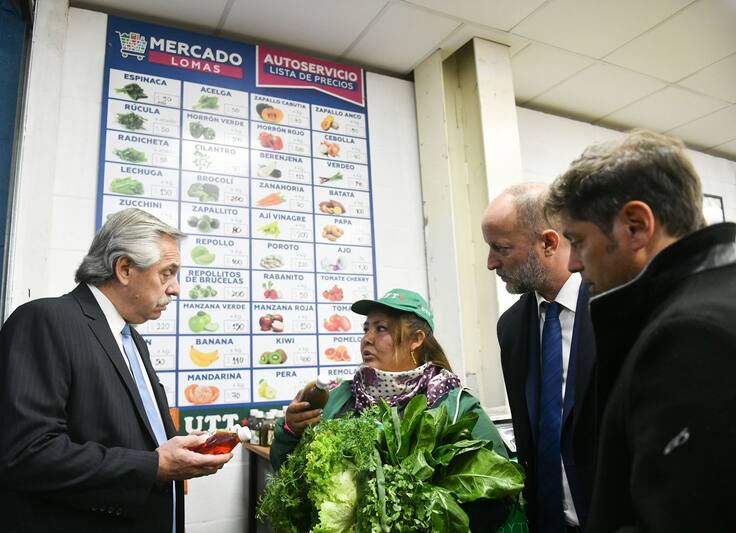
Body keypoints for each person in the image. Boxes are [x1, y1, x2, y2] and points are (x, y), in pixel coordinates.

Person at [0, 208, 232, 533]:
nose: (176, 288)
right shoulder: (45, 321)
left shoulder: (132, 339)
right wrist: (155, 465)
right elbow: (26, 454)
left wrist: (179, 450)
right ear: (124, 269)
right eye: (167, 273)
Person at [544, 129, 736, 532]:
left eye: (578, 241)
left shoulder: (689, 336)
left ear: (635, 226)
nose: (574, 263)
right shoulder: (717, 297)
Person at [270, 288, 511, 531]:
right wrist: (290, 430)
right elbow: (290, 473)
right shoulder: (340, 397)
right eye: (366, 329)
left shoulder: (454, 405)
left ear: (416, 340)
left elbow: (500, 487)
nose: (367, 338)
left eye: (381, 328)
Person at [481, 183, 596, 532]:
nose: (490, 263)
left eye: (501, 248)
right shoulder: (511, 328)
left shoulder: (613, 309)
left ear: (548, 243)